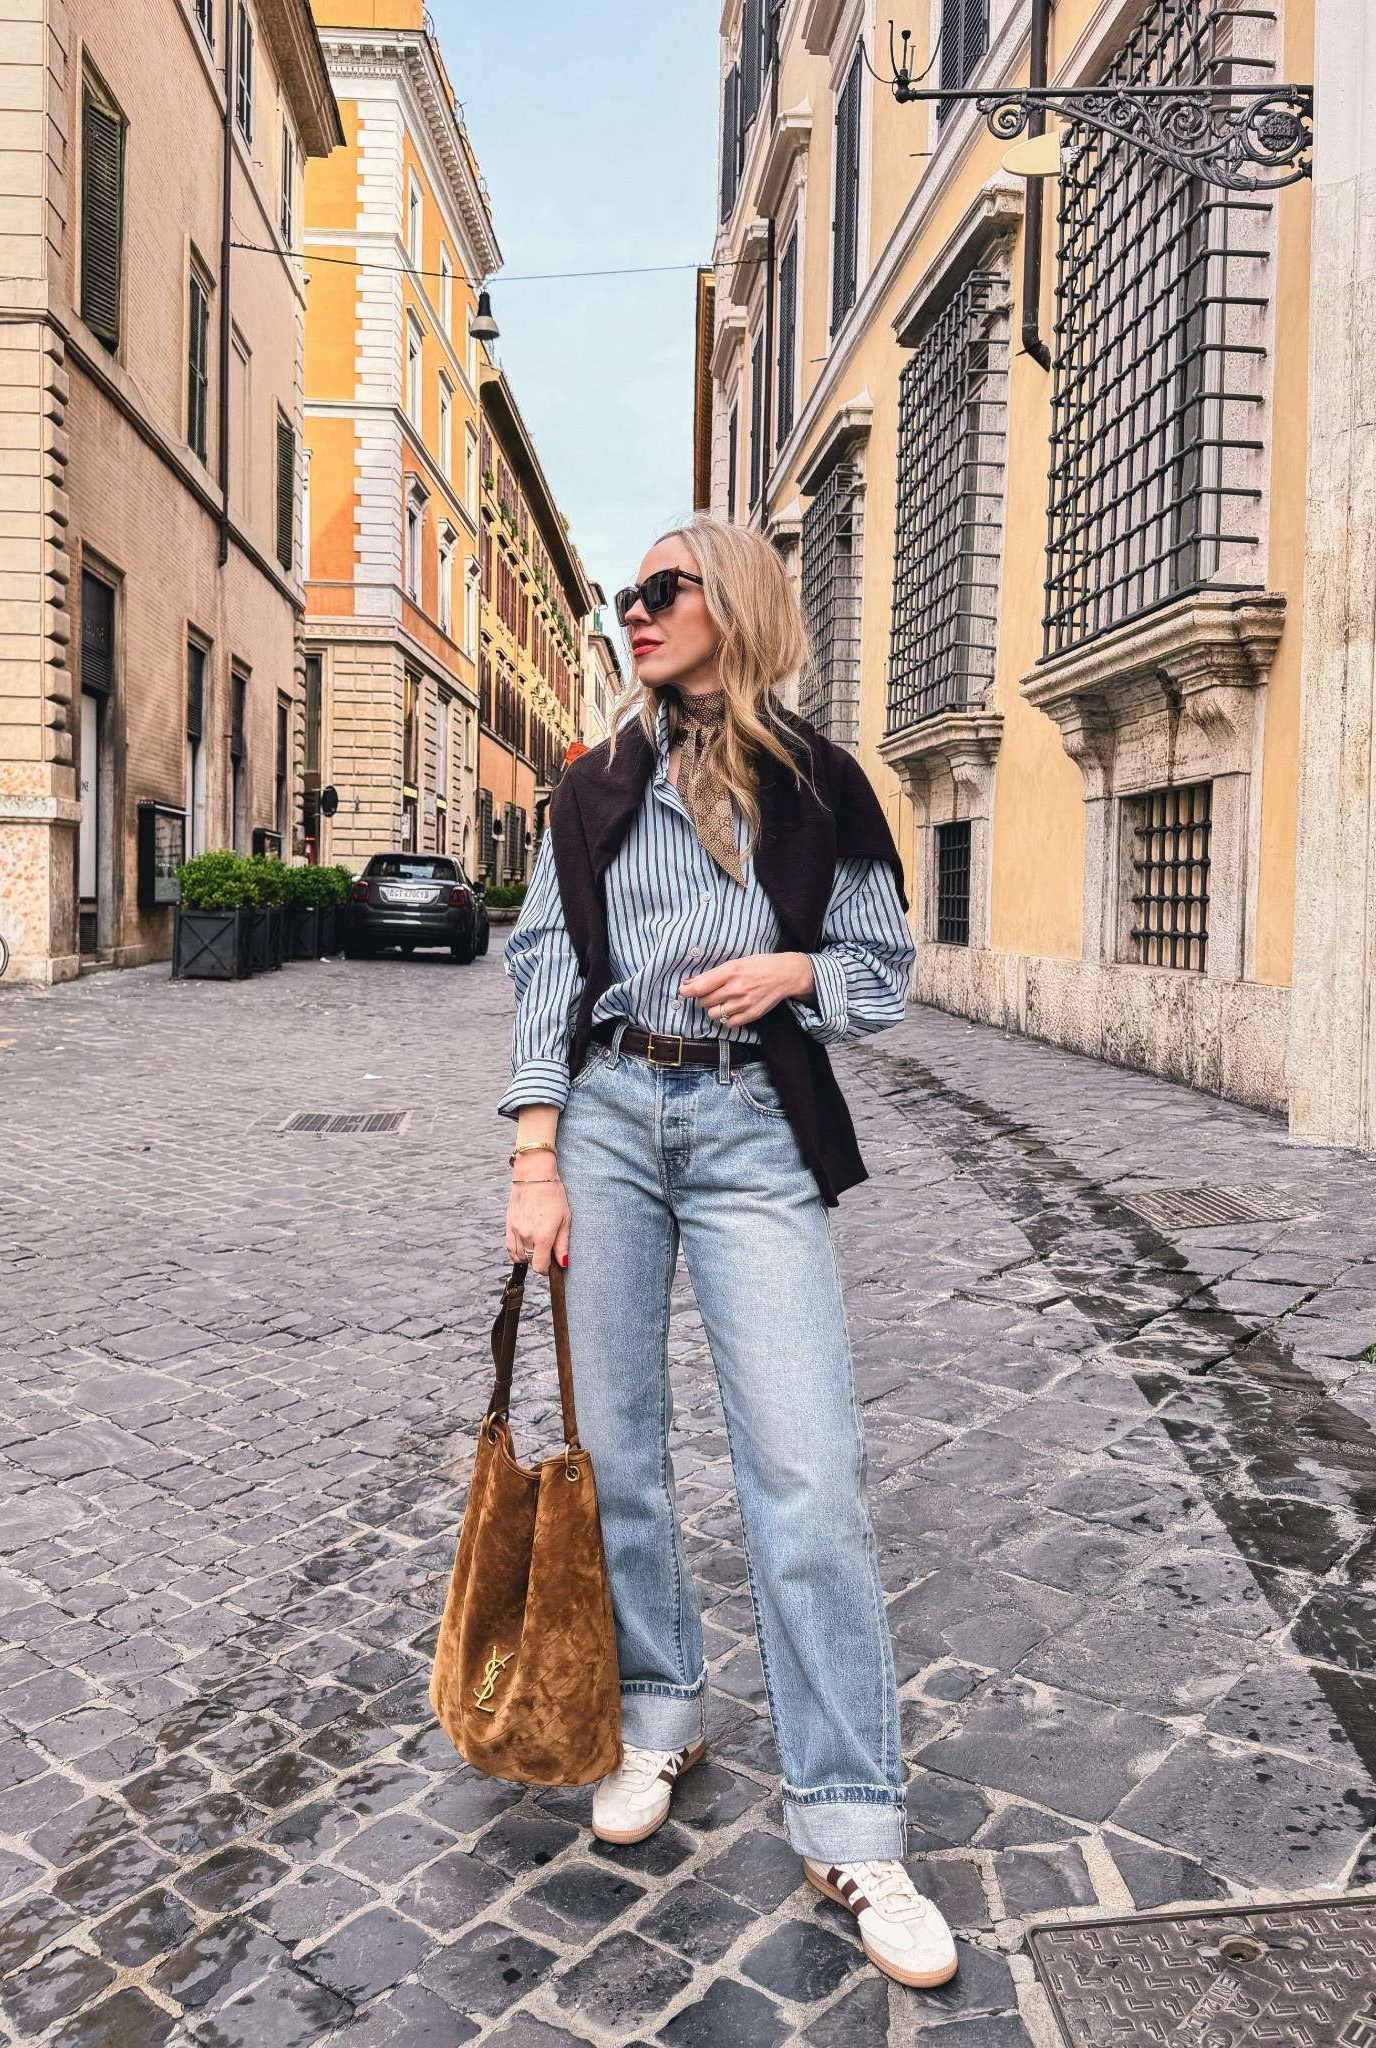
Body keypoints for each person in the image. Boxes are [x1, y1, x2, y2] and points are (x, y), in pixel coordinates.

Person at [499, 516, 956, 1989]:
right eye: (625, 597)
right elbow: (544, 970)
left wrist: (801, 969)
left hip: (757, 1125)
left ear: (734, 602)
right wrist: (533, 1155)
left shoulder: (821, 782)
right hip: (614, 1122)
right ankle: (656, 1716)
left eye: (662, 592)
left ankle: (850, 1819)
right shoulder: (593, 785)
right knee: (621, 1449)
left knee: (808, 1469)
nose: (634, 614)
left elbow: (886, 977)